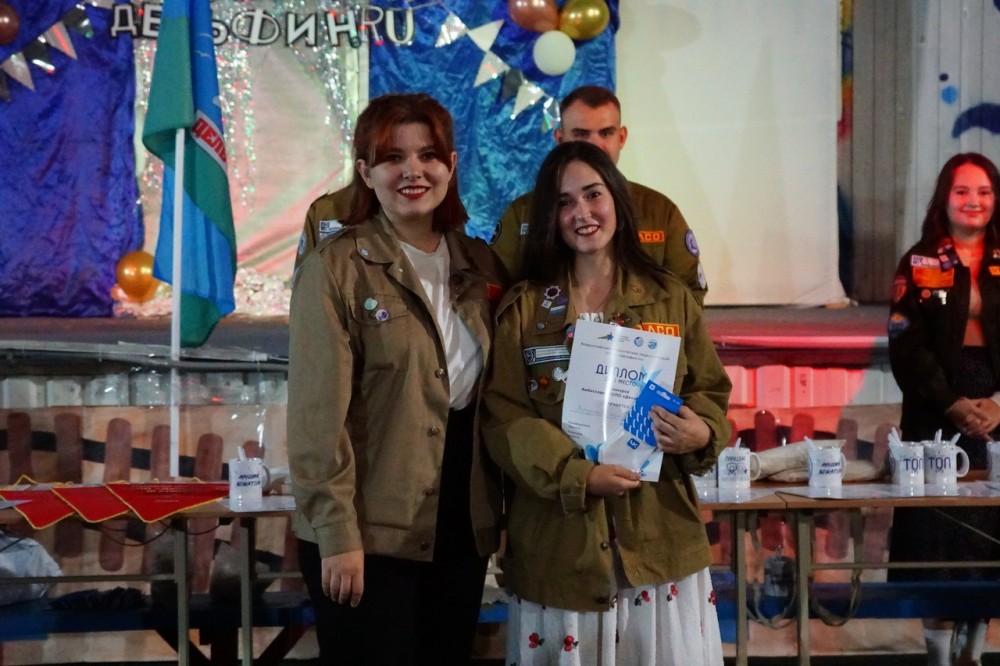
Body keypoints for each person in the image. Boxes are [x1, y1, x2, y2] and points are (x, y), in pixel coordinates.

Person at [481, 140, 732, 665]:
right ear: (549, 217)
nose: (582, 213)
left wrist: (702, 432)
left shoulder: (670, 298)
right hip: (560, 549)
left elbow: (709, 391)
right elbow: (504, 417)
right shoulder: (525, 309)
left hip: (659, 544)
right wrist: (577, 475)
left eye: (593, 194)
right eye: (564, 202)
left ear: (617, 198)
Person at [287, 92, 507, 665]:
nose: (413, 171)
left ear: (451, 166)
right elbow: (316, 421)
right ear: (365, 172)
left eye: (428, 155)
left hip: (460, 525)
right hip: (369, 531)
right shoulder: (334, 269)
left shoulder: (480, 265)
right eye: (393, 157)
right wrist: (337, 533)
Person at [887, 152, 1000, 666]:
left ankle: (974, 655)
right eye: (962, 191)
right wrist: (953, 406)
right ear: (944, 199)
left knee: (986, 540)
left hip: (995, 409)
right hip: (935, 411)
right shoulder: (919, 261)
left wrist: (997, 405)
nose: (974, 201)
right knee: (937, 538)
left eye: (984, 192)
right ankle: (937, 658)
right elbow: (906, 346)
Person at [492, 85, 708, 304]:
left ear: (621, 138)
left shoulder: (659, 212)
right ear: (560, 139)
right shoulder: (523, 213)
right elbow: (495, 291)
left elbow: (688, 298)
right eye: (581, 134)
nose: (595, 145)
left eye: (606, 133)